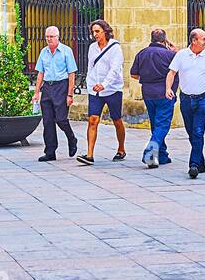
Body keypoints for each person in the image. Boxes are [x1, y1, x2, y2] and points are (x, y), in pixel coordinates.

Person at [165, 28, 205, 179]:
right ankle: (201, 161)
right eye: (203, 39)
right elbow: (171, 73)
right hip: (186, 98)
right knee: (191, 132)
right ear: (194, 41)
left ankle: (194, 165)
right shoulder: (181, 55)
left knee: (198, 131)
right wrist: (168, 88)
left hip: (203, 98)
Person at [78, 19, 124, 166]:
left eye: (97, 31)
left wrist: (104, 84)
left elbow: (115, 69)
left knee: (116, 120)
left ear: (105, 31)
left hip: (112, 89)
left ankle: (121, 148)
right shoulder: (92, 47)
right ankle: (89, 154)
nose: (95, 34)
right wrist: (90, 83)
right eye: (93, 32)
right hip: (95, 90)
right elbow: (90, 66)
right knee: (93, 120)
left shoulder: (115, 47)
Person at [130, 28, 177, 168]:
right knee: (163, 124)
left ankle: (162, 155)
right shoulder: (170, 55)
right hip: (165, 93)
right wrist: (175, 49)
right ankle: (150, 153)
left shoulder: (142, 53)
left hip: (148, 93)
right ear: (165, 40)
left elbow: (134, 74)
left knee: (155, 124)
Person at [32, 25, 78, 162]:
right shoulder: (44, 52)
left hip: (61, 86)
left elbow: (71, 74)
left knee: (61, 119)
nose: (49, 39)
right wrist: (36, 93)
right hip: (47, 87)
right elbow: (40, 73)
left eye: (51, 37)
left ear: (58, 37)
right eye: (47, 37)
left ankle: (71, 138)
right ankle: (50, 151)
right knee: (47, 121)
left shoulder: (66, 51)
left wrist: (69, 95)